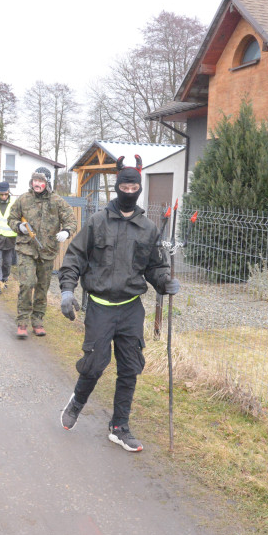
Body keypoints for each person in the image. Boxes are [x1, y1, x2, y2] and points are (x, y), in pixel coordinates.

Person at [57, 156, 180, 452]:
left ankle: (119, 426)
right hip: (100, 305)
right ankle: (78, 401)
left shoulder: (148, 229)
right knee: (95, 365)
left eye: (133, 185)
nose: (128, 190)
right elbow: (74, 258)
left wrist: (164, 282)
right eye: (123, 185)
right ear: (117, 188)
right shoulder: (98, 222)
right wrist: (66, 290)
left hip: (130, 308)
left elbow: (153, 266)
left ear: (139, 188)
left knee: (130, 367)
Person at [7, 167, 77, 339]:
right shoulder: (23, 199)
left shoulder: (57, 201)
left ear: (47, 183)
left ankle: (37, 320)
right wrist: (18, 226)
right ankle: (22, 321)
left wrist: (67, 232)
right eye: (35, 180)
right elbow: (11, 218)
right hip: (26, 249)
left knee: (42, 287)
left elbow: (71, 220)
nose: (37, 184)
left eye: (41, 181)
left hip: (47, 251)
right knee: (27, 284)